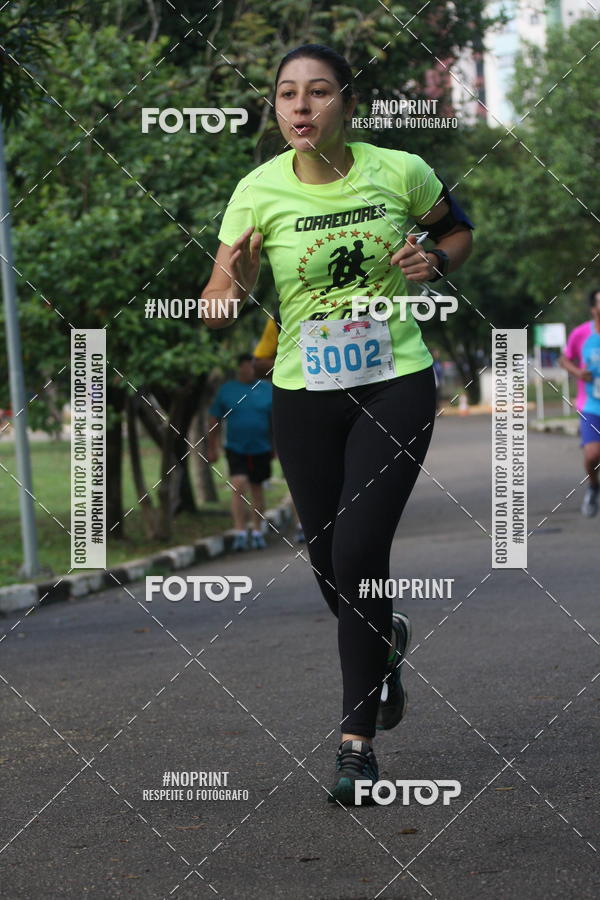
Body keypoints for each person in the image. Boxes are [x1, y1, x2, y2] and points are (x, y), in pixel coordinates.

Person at [201, 44, 473, 805]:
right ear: (276, 108)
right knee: (327, 560)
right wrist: (238, 280)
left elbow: (455, 231)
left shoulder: (400, 170)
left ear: (345, 104)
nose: (301, 107)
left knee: (360, 549)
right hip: (306, 396)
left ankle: (355, 746)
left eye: (317, 93)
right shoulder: (256, 191)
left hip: (395, 384)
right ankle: (385, 643)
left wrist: (437, 262)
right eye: (287, 94)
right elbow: (214, 295)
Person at [207, 353, 273, 550]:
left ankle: (258, 531)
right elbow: (214, 420)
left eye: (252, 366)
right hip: (236, 447)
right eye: (245, 366)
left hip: (262, 447)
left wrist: (277, 447)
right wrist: (212, 447)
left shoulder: (267, 389)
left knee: (257, 488)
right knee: (238, 484)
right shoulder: (227, 391)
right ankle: (240, 531)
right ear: (239, 368)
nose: (249, 369)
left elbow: (276, 421)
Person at [559, 288, 600, 517]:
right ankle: (594, 486)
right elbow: (564, 359)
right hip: (591, 405)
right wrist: (578, 372)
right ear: (594, 309)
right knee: (593, 455)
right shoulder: (582, 334)